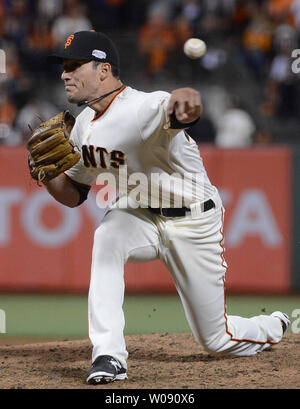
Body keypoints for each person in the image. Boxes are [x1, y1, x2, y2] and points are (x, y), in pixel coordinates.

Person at [45, 30, 290, 385]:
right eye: (63, 66)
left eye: (74, 65)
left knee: (216, 339)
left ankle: (273, 325)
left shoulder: (144, 107)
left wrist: (187, 100)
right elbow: (73, 195)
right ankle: (109, 355)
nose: (65, 74)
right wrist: (49, 173)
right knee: (107, 237)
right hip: (139, 213)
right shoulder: (82, 126)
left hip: (193, 221)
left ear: (104, 70)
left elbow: (179, 108)